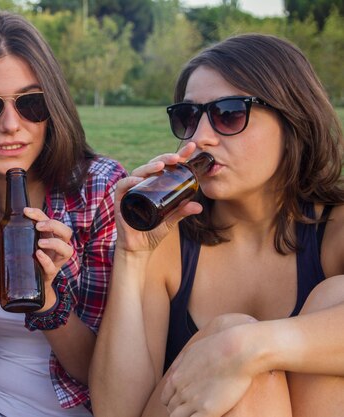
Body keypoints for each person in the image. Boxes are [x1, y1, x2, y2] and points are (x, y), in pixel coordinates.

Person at [90, 33, 344, 417]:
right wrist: (132, 257)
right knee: (236, 348)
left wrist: (246, 348)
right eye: (189, 117)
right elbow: (117, 411)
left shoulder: (335, 230)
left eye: (229, 114)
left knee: (332, 298)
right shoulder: (169, 241)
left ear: (293, 118)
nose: (201, 137)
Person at [0, 9, 127, 416]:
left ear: (52, 106)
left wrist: (47, 298)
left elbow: (100, 371)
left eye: (31, 104)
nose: (11, 125)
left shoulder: (98, 191)